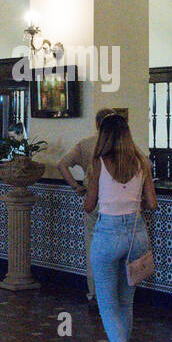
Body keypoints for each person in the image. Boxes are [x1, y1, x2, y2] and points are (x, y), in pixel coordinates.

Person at [83, 113, 157, 342]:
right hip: (137, 235)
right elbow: (151, 203)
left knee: (106, 302)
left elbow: (89, 205)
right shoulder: (142, 163)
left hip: (108, 234)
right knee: (126, 302)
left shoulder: (99, 163)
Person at [58, 107, 117, 302]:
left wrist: (76, 187)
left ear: (96, 123)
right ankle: (116, 295)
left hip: (93, 201)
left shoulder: (86, 144)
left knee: (93, 248)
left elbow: (62, 164)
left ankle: (94, 293)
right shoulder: (122, 145)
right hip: (118, 203)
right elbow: (146, 165)